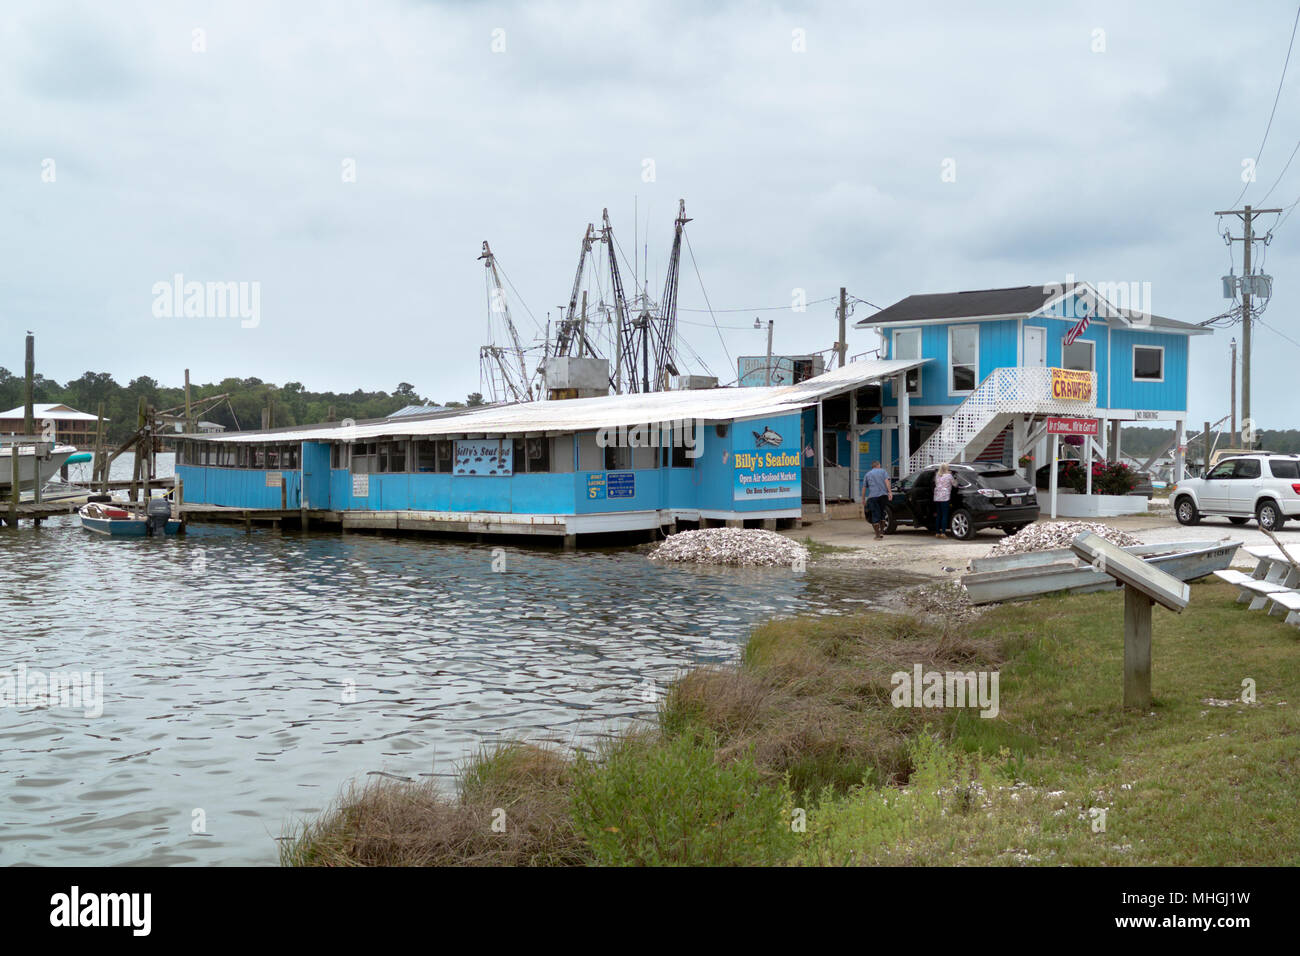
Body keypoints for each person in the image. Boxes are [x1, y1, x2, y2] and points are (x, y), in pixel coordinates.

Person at [862, 460, 892, 540]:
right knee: (882, 513)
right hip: (883, 496)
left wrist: (863, 499)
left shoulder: (867, 474)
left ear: (872, 466)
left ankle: (877, 535)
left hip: (873, 497)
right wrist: (890, 492)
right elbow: (887, 482)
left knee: (875, 514)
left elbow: (864, 488)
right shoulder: (883, 471)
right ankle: (882, 531)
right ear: (878, 465)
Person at [933, 462, 954, 538]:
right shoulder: (949, 476)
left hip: (937, 496)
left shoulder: (937, 475)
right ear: (947, 468)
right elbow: (954, 484)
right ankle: (943, 533)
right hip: (945, 497)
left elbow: (936, 483)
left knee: (938, 515)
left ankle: (937, 532)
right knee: (944, 515)